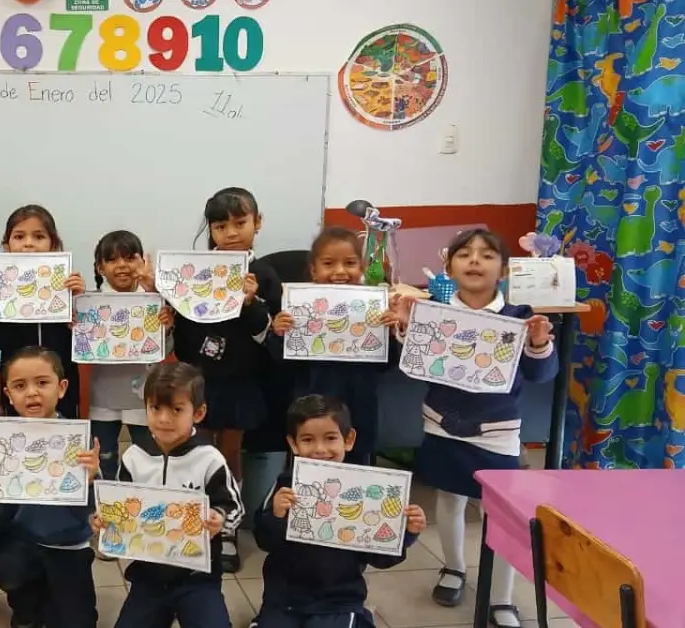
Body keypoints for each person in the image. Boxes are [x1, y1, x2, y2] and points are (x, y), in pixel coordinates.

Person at [392, 228, 556, 628]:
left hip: (496, 432)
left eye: (487, 255)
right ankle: (453, 568)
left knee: (500, 514)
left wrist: (537, 343)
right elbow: (414, 363)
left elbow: (541, 373)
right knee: (448, 499)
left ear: (503, 270)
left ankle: (501, 597)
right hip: (442, 425)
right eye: (465, 254)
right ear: (449, 267)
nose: (475, 261)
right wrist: (405, 327)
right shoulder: (435, 311)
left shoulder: (519, 316)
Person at [172, 187, 281, 572]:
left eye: (240, 223)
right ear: (212, 231)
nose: (232, 233)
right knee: (199, 452)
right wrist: (172, 320)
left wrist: (252, 304)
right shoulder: (198, 270)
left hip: (241, 381)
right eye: (221, 226)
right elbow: (186, 333)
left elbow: (269, 337)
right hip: (203, 380)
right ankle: (196, 520)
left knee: (229, 454)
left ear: (258, 223)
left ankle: (228, 525)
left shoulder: (264, 275)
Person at [251, 395, 427, 628]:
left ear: (349, 439)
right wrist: (275, 515)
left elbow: (381, 558)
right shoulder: (286, 485)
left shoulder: (365, 491)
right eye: (307, 439)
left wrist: (406, 534)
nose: (320, 449)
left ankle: (359, 620)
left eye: (330, 438)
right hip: (284, 598)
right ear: (293, 444)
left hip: (338, 600)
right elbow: (264, 540)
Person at [0, 347, 102, 628]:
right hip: (22, 540)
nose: (32, 393)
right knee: (9, 569)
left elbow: (97, 510)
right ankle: (25, 604)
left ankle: (51, 600)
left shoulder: (79, 443)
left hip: (68, 544)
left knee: (78, 622)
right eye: (20, 386)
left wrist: (92, 480)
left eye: (42, 382)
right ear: (8, 395)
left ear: (61, 388)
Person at [100, 362, 241, 628]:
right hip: (148, 576)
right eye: (155, 408)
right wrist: (107, 522)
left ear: (198, 413)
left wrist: (219, 518)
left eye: (177, 410)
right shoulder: (133, 457)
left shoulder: (210, 459)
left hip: (198, 576)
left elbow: (233, 506)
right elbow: (120, 508)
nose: (164, 419)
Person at [271, 226, 402, 465]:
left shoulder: (373, 310)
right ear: (313, 270)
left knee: (358, 470)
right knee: (305, 475)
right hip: (309, 411)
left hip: (357, 410)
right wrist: (280, 334)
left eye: (350, 263)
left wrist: (391, 334)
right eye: (329, 263)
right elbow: (282, 364)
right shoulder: (299, 308)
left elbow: (388, 365)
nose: (340, 271)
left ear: (361, 268)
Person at [0, 206, 86, 418]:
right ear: (7, 245)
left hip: (60, 381)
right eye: (19, 236)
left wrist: (79, 303)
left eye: (39, 236)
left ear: (53, 244)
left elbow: (83, 339)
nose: (28, 243)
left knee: (62, 438)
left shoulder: (65, 283)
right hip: (18, 383)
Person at [88, 230, 174, 479]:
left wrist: (165, 330)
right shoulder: (90, 304)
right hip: (103, 395)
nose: (122, 265)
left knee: (147, 461)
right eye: (113, 260)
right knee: (103, 459)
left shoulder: (156, 301)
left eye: (129, 257)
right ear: (100, 267)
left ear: (142, 262)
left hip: (144, 396)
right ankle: (102, 511)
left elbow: (165, 350)